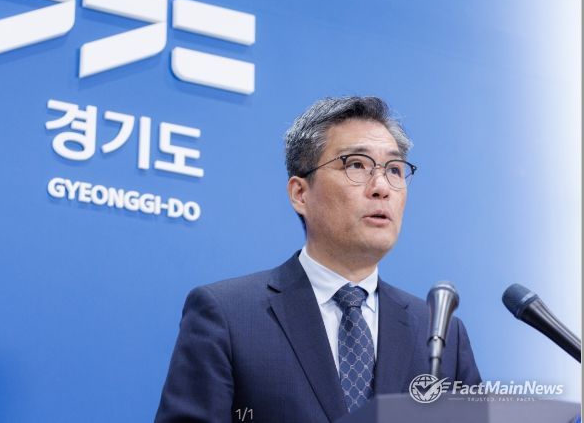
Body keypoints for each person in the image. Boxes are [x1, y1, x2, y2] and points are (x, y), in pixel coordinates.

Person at [155, 96, 481, 423]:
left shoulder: (440, 336)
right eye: (356, 165)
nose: (381, 187)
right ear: (300, 193)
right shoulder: (229, 316)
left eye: (394, 170)